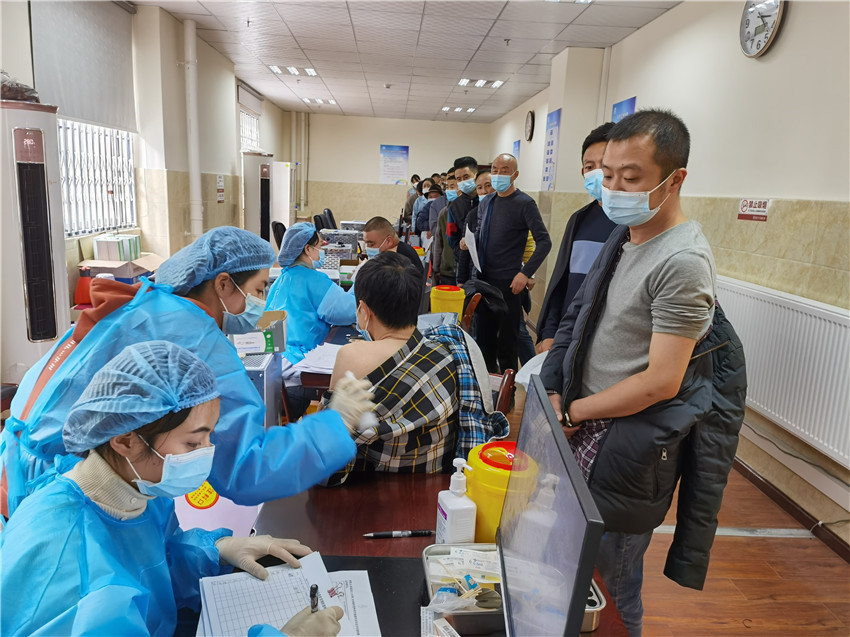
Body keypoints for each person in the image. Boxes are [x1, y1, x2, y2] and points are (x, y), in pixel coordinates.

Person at [1, 226, 372, 519]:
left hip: (20, 459)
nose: (261, 303)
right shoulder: (195, 336)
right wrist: (334, 424)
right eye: (259, 290)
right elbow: (245, 466)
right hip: (69, 485)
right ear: (223, 283)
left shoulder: (150, 303)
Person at [539, 110, 745, 637]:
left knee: (612, 587)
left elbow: (661, 381)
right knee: (571, 564)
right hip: (587, 423)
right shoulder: (625, 234)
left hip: (629, 445)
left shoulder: (682, 261)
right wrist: (556, 388)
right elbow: (581, 316)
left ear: (674, 180)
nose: (613, 189)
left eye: (630, 178)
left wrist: (575, 412)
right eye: (607, 174)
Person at [1, 341, 345, 637]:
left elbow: (152, 564)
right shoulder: (66, 564)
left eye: (209, 436)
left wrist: (215, 551)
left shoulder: (134, 488)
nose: (207, 453)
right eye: (193, 443)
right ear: (125, 440)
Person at [323, 253, 508, 486]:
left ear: (364, 310)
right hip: (438, 490)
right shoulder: (448, 352)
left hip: (367, 492)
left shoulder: (351, 356)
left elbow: (327, 451)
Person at [536, 122, 617, 354]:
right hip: (567, 339)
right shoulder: (579, 220)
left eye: (604, 164)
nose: (597, 172)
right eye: (589, 166)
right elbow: (561, 284)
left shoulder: (635, 225)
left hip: (606, 347)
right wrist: (549, 333)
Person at [474, 153, 551, 373]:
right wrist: (467, 242)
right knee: (484, 343)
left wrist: (525, 273)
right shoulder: (487, 202)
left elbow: (544, 242)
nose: (498, 174)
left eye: (504, 171)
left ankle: (508, 389)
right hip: (484, 282)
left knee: (507, 345)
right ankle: (488, 386)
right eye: (495, 170)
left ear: (515, 175)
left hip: (509, 284)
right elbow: (481, 233)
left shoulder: (524, 203)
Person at [266, 222, 357, 365]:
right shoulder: (314, 280)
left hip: (275, 358)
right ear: (308, 249)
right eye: (320, 246)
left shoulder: (281, 279)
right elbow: (348, 312)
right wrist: (359, 280)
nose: (322, 252)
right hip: (299, 360)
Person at [445, 156, 480, 284]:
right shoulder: (455, 206)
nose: (463, 182)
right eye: (459, 179)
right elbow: (451, 236)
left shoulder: (487, 200)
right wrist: (461, 250)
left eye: (466, 177)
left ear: (476, 175)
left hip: (488, 261)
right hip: (464, 262)